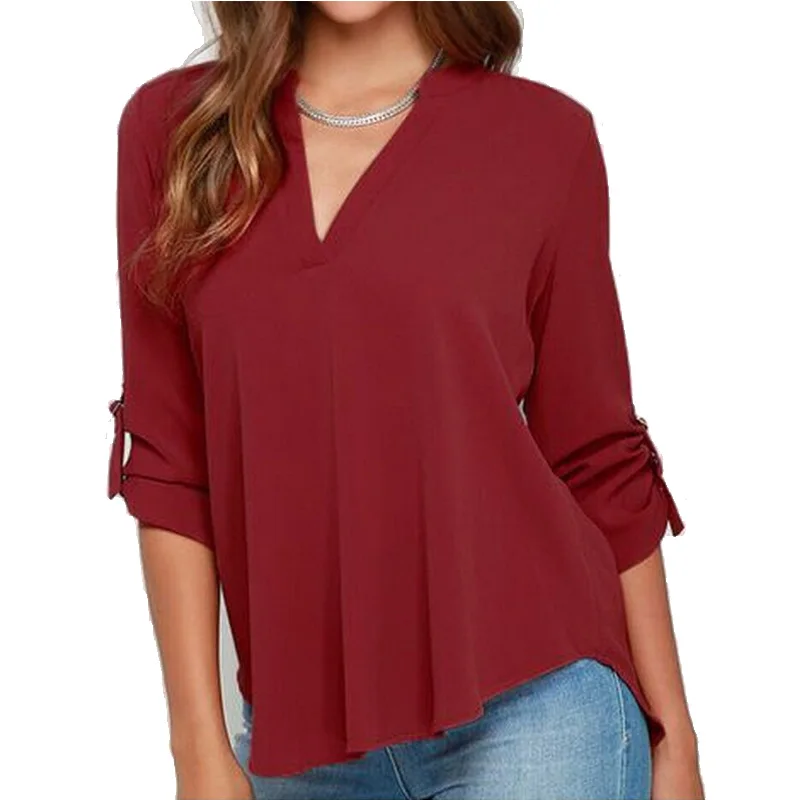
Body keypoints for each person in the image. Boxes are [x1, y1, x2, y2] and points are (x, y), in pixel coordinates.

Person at [106, 2, 704, 798]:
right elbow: (171, 463)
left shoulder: (543, 140)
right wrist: (198, 750)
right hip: (298, 748)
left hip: (538, 712)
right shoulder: (179, 134)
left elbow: (596, 453)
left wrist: (676, 740)